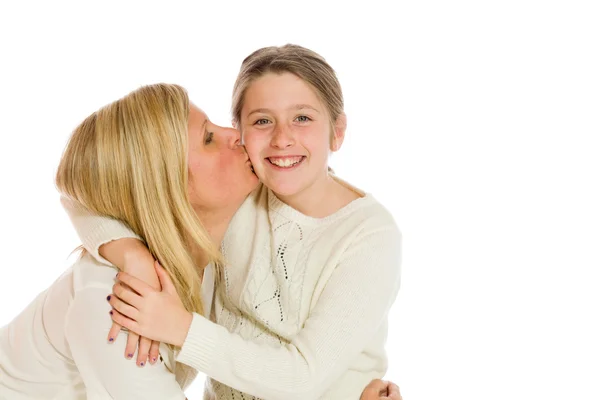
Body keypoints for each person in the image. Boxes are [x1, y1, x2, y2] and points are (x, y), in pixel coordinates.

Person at [0, 83, 400, 400]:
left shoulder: (197, 248)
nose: (236, 135)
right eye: (209, 138)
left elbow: (82, 193)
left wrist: (131, 253)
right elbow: (77, 191)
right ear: (166, 185)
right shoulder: (117, 307)